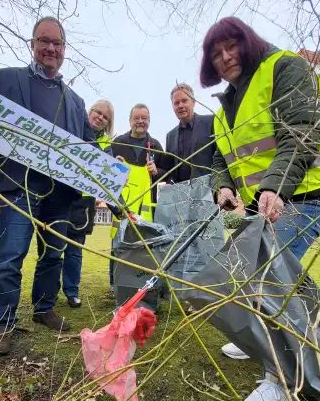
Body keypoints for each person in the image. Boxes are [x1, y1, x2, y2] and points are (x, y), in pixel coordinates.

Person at [200, 16, 320, 401]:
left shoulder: (284, 68)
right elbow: (219, 158)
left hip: (307, 190)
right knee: (282, 274)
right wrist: (223, 187)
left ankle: (282, 378)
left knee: (269, 276)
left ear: (247, 42)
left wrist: (274, 188)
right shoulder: (225, 104)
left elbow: (301, 131)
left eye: (231, 46)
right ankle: (316, 336)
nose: (225, 57)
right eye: (216, 53)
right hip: (262, 200)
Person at [0, 16, 95, 355]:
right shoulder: (6, 80)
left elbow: (88, 148)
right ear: (32, 44)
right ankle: (1, 323)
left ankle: (43, 309)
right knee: (11, 255)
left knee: (53, 255)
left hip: (60, 195)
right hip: (20, 186)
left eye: (57, 43)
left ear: (64, 50)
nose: (50, 48)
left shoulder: (76, 102)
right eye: (43, 41)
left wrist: (109, 170)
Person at [61, 100, 114, 308]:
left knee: (74, 250)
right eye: (97, 112)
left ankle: (71, 291)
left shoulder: (105, 146)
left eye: (105, 117)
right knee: (54, 247)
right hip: (61, 195)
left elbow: (109, 175)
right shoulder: (72, 128)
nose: (100, 117)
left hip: (83, 202)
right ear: (89, 111)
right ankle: (47, 292)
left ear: (108, 123)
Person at [110, 104, 165, 289]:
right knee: (118, 245)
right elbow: (106, 171)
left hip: (145, 209)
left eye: (144, 118)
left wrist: (157, 171)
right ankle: (115, 284)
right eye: (137, 118)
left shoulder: (156, 146)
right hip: (121, 206)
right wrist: (113, 166)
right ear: (130, 120)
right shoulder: (117, 143)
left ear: (149, 120)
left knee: (144, 248)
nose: (141, 121)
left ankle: (141, 284)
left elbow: (167, 172)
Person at [163, 83, 215, 183]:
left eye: (184, 101)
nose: (180, 105)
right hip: (181, 194)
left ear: (193, 102)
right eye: (176, 103)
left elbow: (220, 158)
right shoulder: (170, 136)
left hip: (210, 191)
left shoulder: (210, 122)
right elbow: (170, 170)